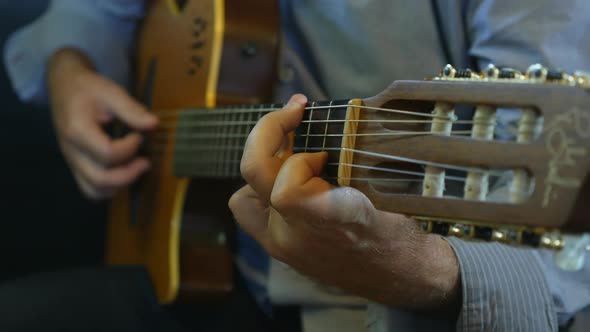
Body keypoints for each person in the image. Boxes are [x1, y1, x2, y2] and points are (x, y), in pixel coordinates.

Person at [3, 0, 590, 331]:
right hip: (201, 271)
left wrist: (431, 273)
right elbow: (94, 10)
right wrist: (69, 69)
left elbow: (565, 256)